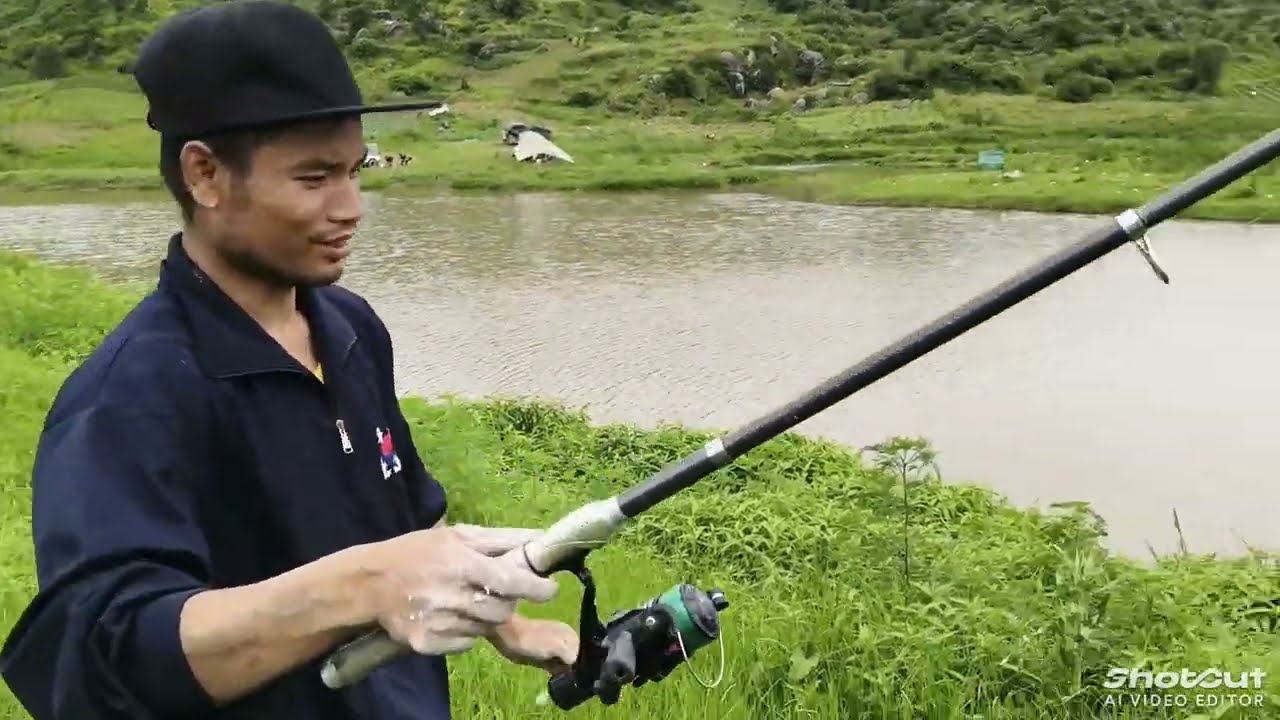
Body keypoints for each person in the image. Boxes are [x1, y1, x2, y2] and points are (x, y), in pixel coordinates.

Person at [0, 2, 578, 718]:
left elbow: (402, 517)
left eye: (355, 170)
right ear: (206, 175)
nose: (351, 206)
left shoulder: (352, 327)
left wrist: (507, 618)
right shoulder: (131, 393)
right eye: (313, 179)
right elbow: (105, 654)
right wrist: (366, 584)